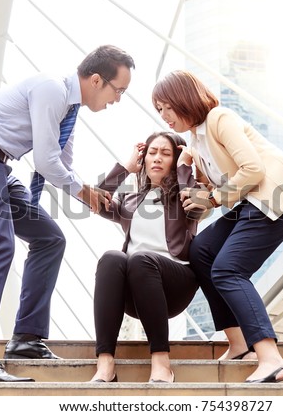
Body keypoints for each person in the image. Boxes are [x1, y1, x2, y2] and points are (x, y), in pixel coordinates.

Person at [0, 45, 135, 382]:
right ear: (95, 80)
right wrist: (83, 191)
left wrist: (90, 193)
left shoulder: (68, 110)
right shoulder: (51, 89)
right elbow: (46, 163)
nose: (117, 100)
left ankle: (27, 340)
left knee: (49, 239)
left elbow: (61, 163)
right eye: (118, 90)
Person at [152, 70, 283, 383]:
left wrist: (212, 198)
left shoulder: (219, 119)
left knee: (228, 270)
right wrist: (187, 170)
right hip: (254, 201)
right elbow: (206, 200)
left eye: (165, 107)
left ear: (182, 98)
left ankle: (271, 359)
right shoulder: (196, 143)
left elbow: (252, 170)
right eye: (158, 110)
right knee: (202, 251)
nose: (164, 116)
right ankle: (239, 344)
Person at [90, 131, 199, 383]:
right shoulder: (130, 200)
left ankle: (161, 363)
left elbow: (195, 198)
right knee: (112, 258)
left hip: (175, 283)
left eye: (166, 153)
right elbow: (94, 201)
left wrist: (185, 166)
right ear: (143, 160)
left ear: (176, 160)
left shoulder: (188, 196)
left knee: (141, 259)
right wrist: (125, 168)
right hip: (136, 291)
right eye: (152, 152)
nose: (157, 158)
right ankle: (105, 364)